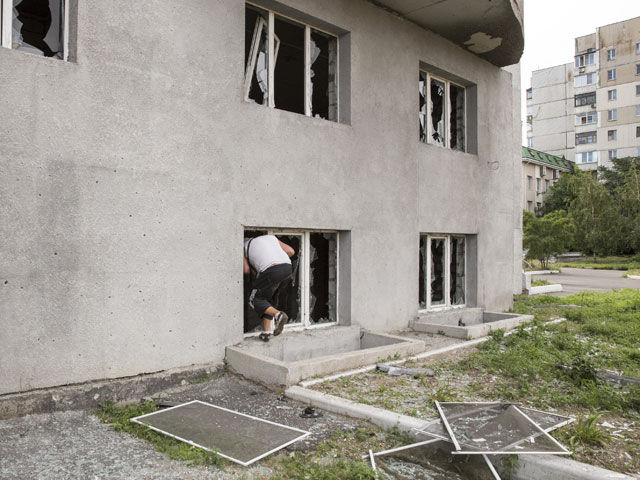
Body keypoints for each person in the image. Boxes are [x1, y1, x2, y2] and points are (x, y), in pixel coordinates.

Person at [244, 235, 294, 342]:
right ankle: (265, 333)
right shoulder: (271, 238)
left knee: (254, 300)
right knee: (267, 301)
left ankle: (279, 315)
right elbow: (291, 251)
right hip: (287, 267)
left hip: (270, 270)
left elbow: (246, 269)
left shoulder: (244, 247)